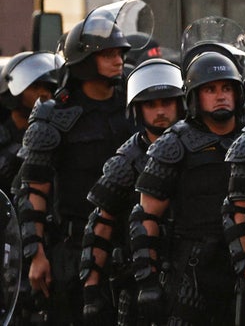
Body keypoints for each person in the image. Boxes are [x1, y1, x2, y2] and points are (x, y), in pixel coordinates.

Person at [18, 4, 136, 325]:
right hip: (72, 249)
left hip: (131, 244)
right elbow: (33, 191)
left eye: (120, 53)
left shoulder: (135, 105)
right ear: (84, 61)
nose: (118, 60)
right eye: (108, 54)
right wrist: (36, 255)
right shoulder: (53, 115)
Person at [131, 49, 245, 324]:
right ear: (194, 96)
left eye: (226, 88)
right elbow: (146, 216)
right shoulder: (174, 143)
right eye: (210, 89)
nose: (220, 95)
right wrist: (147, 281)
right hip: (192, 270)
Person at [80, 58, 183, 325]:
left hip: (189, 272)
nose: (160, 111)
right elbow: (100, 225)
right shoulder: (127, 159)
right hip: (138, 278)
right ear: (138, 110)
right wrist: (91, 292)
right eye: (151, 104)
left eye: (167, 102)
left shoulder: (195, 148)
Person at [0, 51, 62, 195]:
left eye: (48, 88)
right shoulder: (4, 139)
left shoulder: (56, 134)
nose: (44, 93)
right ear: (13, 93)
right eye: (35, 87)